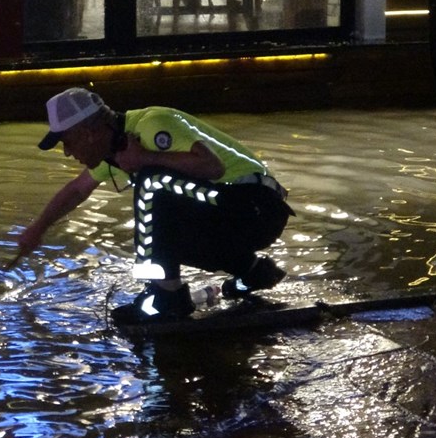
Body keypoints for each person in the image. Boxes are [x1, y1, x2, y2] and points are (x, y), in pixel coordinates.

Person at [18, 87, 293, 325]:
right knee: (165, 226)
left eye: (67, 142)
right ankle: (253, 271)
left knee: (152, 183)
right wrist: (38, 229)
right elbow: (77, 190)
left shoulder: (152, 125)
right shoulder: (113, 151)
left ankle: (167, 297)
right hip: (232, 219)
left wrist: (145, 158)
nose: (67, 152)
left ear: (88, 133)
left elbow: (213, 166)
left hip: (257, 209)